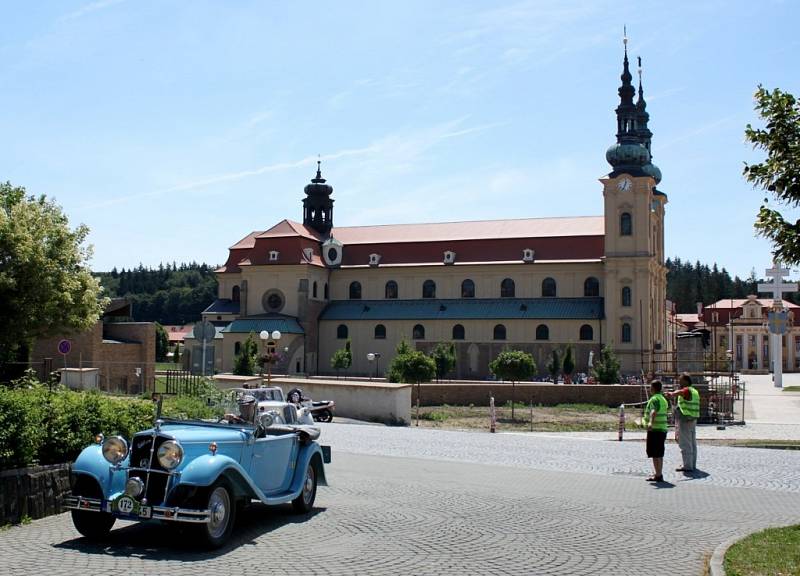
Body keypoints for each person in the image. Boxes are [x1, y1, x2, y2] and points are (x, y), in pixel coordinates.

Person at [666, 373, 700, 472]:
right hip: (692, 419)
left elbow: (681, 392)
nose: (678, 381)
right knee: (692, 443)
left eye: (680, 380)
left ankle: (687, 466)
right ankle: (692, 464)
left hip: (685, 419)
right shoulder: (695, 391)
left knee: (685, 443)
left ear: (685, 380)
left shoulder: (687, 390)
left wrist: (672, 394)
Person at [643, 379, 669, 482]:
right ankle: (659, 473)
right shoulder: (663, 399)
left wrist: (650, 422)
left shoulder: (654, 399)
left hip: (655, 429)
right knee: (659, 453)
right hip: (662, 429)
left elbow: (653, 411)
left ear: (653, 388)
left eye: (650, 387)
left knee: (655, 453)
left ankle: (658, 475)